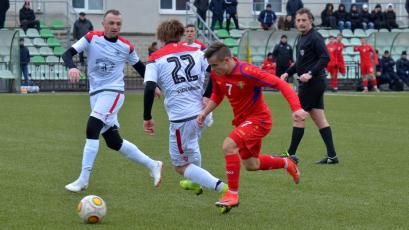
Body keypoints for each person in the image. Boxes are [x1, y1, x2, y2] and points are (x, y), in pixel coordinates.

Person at [198, 42, 308, 212]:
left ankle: (232, 195)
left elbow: (281, 84)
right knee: (252, 165)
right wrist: (205, 113)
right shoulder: (216, 73)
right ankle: (287, 163)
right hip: (243, 122)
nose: (212, 69)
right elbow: (218, 94)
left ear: (227, 60)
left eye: (215, 65)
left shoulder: (248, 71)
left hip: (260, 120)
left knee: (229, 145)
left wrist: (296, 108)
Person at [62, 9, 163, 193]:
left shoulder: (126, 46)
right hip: (96, 95)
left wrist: (153, 84)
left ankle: (83, 180)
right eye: (111, 23)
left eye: (118, 24)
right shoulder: (91, 38)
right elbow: (67, 54)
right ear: (103, 24)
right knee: (113, 141)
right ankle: (153, 164)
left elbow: (140, 67)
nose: (115, 26)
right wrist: (72, 67)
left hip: (114, 92)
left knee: (92, 127)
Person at [143, 19, 227, 198]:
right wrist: (207, 94)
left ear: (161, 37)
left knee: (180, 165)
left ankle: (221, 187)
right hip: (202, 113)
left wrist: (147, 117)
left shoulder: (155, 58)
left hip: (182, 117)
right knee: (192, 148)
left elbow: (150, 87)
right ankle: (197, 183)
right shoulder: (197, 51)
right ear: (180, 34)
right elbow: (215, 70)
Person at [280, 8, 339, 164]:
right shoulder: (301, 37)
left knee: (298, 115)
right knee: (320, 119)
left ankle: (290, 154)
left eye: (304, 20)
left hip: (313, 83)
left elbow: (325, 57)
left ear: (311, 21)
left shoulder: (315, 37)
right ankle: (332, 156)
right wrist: (288, 72)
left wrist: (311, 73)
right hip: (314, 83)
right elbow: (300, 62)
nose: (301, 23)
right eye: (298, 20)